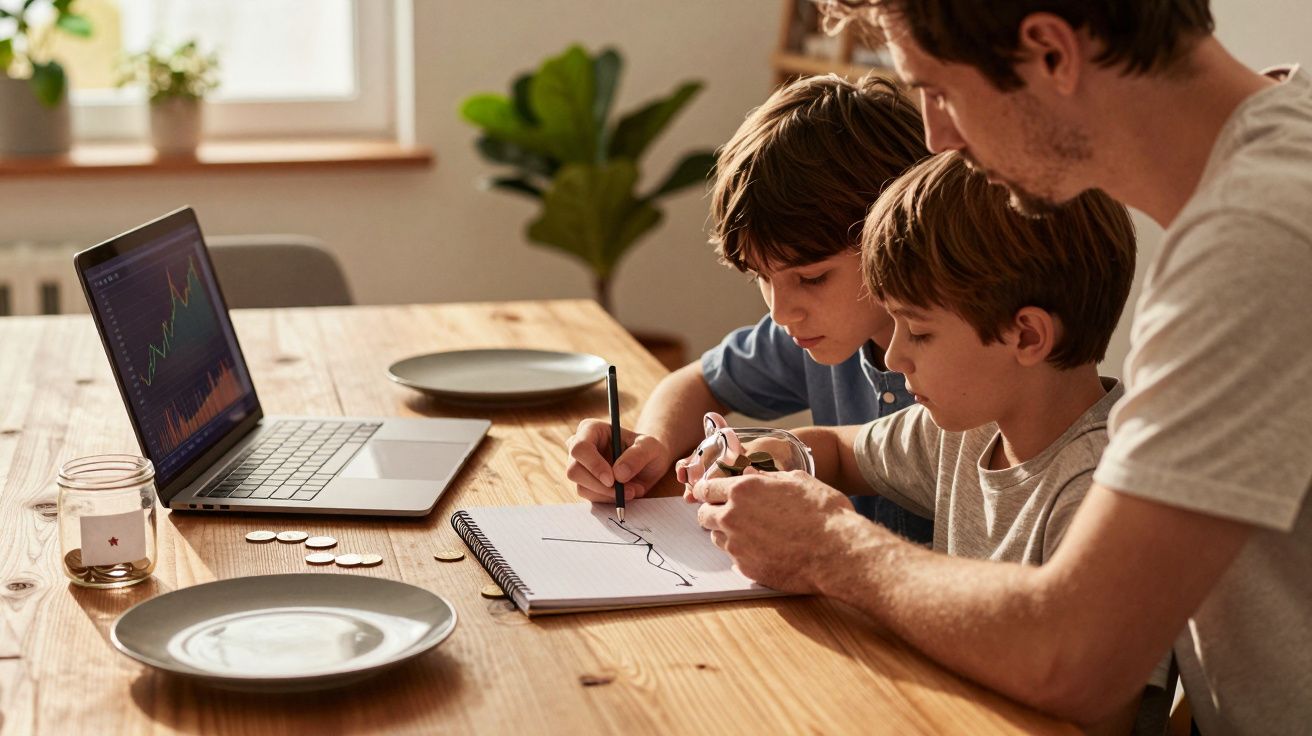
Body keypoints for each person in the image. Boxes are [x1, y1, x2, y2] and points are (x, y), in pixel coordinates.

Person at [695, 2, 1312, 733]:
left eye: (938, 90)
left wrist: (828, 547)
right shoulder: (1277, 165)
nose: (935, 135)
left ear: (1050, 53)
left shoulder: (1259, 244)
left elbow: (1075, 657)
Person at [696, 150, 1164, 734]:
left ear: (1026, 334)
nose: (893, 357)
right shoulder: (967, 430)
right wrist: (763, 455)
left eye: (918, 331)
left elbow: (1095, 709)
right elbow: (839, 452)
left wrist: (832, 545)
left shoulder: (1104, 485)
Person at [565, 73, 935, 541]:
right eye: (763, 277)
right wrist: (652, 445)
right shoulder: (814, 332)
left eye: (811, 278)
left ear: (896, 236)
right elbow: (697, 380)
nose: (782, 313)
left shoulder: (973, 360)